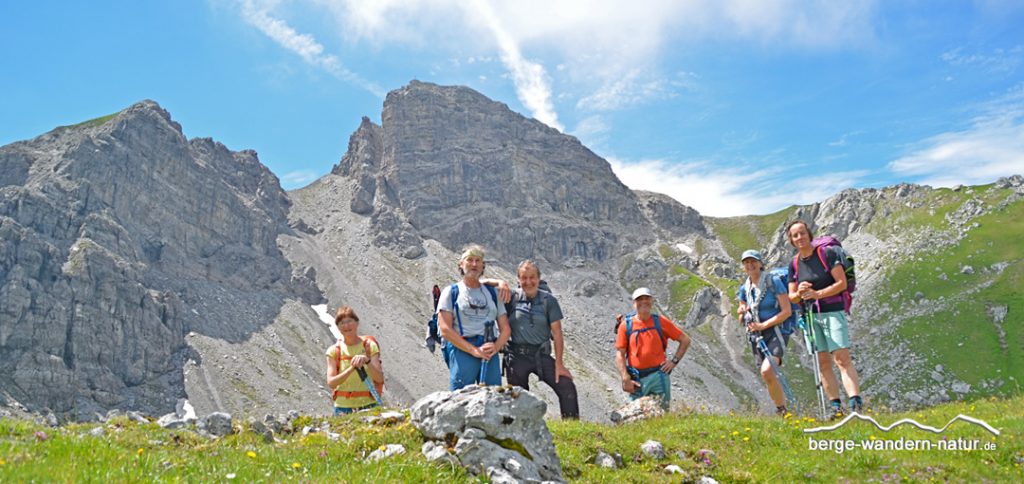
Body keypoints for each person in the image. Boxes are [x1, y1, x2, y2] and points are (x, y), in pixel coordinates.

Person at [786, 219, 863, 418]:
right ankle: (836, 408)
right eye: (795, 235)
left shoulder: (826, 254)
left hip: (832, 310)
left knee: (841, 358)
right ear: (791, 240)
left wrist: (817, 294)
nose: (799, 237)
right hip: (810, 316)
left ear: (809, 234)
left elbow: (841, 283)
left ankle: (856, 405)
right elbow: (792, 297)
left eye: (802, 233)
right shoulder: (794, 264)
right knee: (823, 362)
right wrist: (801, 292)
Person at [498, 260, 579, 419]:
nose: (528, 282)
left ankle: (572, 427)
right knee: (518, 398)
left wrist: (559, 364)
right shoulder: (511, 297)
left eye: (532, 277)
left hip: (541, 355)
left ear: (539, 278)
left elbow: (557, 333)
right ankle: (523, 432)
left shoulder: (549, 301)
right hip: (516, 357)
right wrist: (500, 282)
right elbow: (478, 283)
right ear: (519, 279)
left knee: (566, 386)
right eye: (524, 278)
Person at [437, 245, 511, 390]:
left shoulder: (493, 293)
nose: (474, 264)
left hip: (490, 350)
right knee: (460, 399)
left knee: (494, 398)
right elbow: (445, 329)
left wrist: (495, 347)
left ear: (483, 265)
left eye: (478, 261)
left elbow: (506, 328)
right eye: (469, 260)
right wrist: (474, 350)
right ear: (461, 264)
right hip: (462, 349)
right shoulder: (451, 292)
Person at [735, 249, 793, 416]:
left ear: (761, 263)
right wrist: (741, 311)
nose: (750, 265)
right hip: (756, 336)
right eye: (746, 262)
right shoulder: (744, 289)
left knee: (767, 370)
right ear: (743, 266)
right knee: (767, 375)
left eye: (753, 261)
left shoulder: (773, 281)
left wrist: (764, 325)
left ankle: (782, 410)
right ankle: (782, 410)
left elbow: (786, 311)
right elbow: (741, 319)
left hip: (776, 331)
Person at [615, 287, 691, 410]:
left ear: (651, 301)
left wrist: (673, 362)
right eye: (640, 299)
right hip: (637, 378)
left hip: (659, 375)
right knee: (635, 414)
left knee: (662, 414)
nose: (644, 302)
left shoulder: (660, 322)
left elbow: (685, 340)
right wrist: (625, 378)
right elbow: (620, 354)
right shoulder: (626, 326)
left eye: (647, 298)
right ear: (634, 303)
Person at [325, 306, 384, 415]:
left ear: (357, 323)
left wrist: (367, 361)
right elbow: (331, 383)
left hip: (369, 404)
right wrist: (352, 368)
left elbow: (379, 378)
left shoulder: (369, 346)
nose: (346, 326)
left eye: (349, 321)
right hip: (343, 408)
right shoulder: (333, 351)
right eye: (342, 323)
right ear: (338, 327)